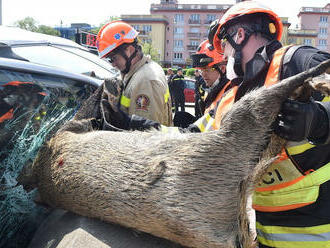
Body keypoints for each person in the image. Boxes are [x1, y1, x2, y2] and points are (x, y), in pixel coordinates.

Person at [208, 1, 330, 247]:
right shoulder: (235, 94)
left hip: (317, 231)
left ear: (239, 35)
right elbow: (199, 136)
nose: (226, 57)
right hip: (266, 230)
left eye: (226, 48)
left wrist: (321, 119)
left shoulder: (297, 61)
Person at [96, 20, 172, 126]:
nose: (113, 64)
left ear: (130, 50)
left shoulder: (146, 80)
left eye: (114, 58)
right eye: (110, 60)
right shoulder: (138, 72)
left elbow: (147, 136)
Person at [191, 39, 228, 117]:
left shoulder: (228, 95)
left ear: (222, 69)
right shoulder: (212, 90)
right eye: (201, 70)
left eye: (207, 69)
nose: (203, 75)